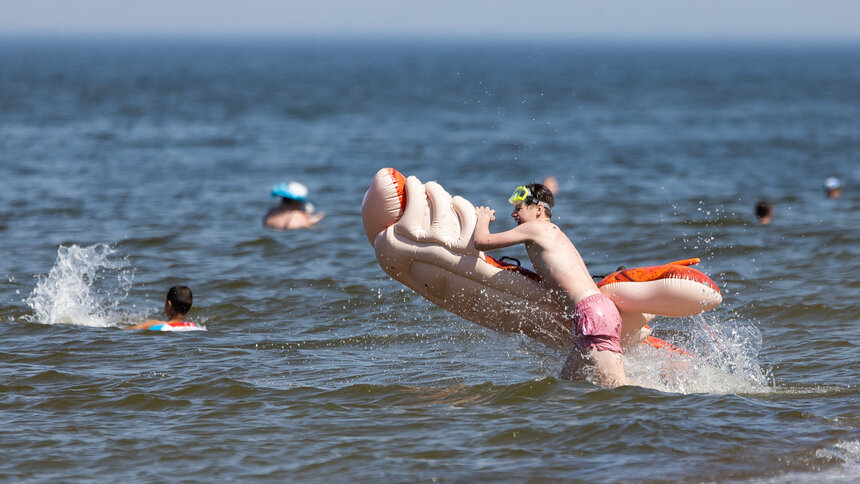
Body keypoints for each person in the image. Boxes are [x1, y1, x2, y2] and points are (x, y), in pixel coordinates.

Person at [474, 183, 626, 387]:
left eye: (518, 208)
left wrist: (482, 218)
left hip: (591, 314)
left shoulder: (535, 228)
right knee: (564, 389)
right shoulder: (551, 232)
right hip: (595, 311)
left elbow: (482, 241)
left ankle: (665, 401)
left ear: (539, 209)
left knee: (617, 389)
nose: (512, 214)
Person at [127, 285, 195, 330]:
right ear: (190, 307)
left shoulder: (156, 325)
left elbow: (130, 330)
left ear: (169, 305)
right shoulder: (195, 326)